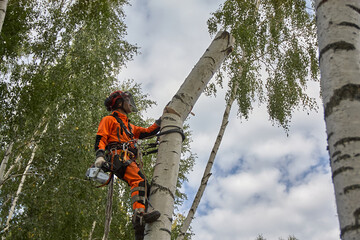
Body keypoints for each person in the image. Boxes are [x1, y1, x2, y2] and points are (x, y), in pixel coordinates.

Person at [94, 90, 161, 239]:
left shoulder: (129, 127)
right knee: (139, 181)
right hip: (118, 157)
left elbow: (147, 132)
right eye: (128, 101)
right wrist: (99, 156)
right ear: (119, 103)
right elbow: (101, 138)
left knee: (147, 188)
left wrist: (161, 121)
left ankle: (140, 229)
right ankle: (139, 216)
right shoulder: (109, 120)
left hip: (128, 158)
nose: (131, 104)